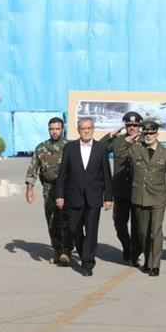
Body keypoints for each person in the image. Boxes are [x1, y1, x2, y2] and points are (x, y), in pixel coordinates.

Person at [116, 120, 166, 277]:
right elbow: (119, 154)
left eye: (151, 133)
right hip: (140, 196)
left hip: (158, 196)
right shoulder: (136, 148)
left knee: (155, 231)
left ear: (157, 133)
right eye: (146, 133)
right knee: (142, 232)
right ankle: (147, 260)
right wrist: (128, 139)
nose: (148, 136)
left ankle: (154, 265)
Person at [55, 117, 113, 276]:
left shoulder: (101, 149)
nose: (86, 131)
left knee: (92, 231)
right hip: (74, 196)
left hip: (94, 197)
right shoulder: (69, 148)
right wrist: (59, 195)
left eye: (89, 128)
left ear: (93, 129)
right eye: (83, 128)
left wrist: (109, 197)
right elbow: (63, 174)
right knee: (74, 229)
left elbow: (107, 174)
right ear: (78, 130)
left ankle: (88, 264)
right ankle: (83, 253)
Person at [24, 117, 72, 266]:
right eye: (52, 129)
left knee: (67, 219)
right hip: (49, 189)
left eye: (57, 128)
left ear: (62, 129)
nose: (54, 131)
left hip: (67, 189)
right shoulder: (41, 148)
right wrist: (29, 189)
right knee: (52, 220)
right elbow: (33, 169)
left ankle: (66, 250)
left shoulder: (70, 146)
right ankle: (57, 250)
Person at [100, 111, 143, 265]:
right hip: (120, 190)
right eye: (129, 125)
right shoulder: (118, 141)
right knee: (119, 224)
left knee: (138, 226)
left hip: (139, 190)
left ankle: (135, 253)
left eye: (135, 125)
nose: (132, 127)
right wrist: (110, 135)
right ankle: (127, 246)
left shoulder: (145, 140)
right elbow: (99, 149)